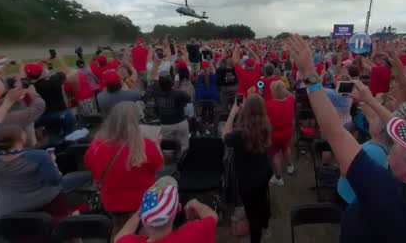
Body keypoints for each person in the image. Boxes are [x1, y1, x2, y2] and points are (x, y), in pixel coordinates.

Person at [285, 34, 406, 243]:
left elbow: (336, 133)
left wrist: (310, 74)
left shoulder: (388, 197)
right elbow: (395, 123)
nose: (393, 140)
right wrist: (370, 101)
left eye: (401, 141)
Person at [0, 88, 72, 218]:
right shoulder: (39, 156)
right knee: (65, 230)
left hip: (12, 210)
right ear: (21, 139)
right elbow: (55, 180)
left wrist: (7, 103)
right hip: (47, 203)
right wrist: (54, 165)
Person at [85, 101, 164, 234]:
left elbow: (93, 170)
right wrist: (157, 146)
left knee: (119, 230)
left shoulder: (95, 146)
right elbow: (158, 166)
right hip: (143, 202)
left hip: (112, 203)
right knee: (145, 232)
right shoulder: (145, 145)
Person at [222, 95, 272, 243]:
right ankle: (264, 223)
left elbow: (224, 136)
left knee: (252, 213)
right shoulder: (266, 125)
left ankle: (256, 237)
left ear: (246, 111)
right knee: (262, 200)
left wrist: (233, 111)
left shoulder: (239, 134)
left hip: (247, 178)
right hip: (263, 172)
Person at [115, 176, 217, 243]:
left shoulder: (128, 241)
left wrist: (140, 211)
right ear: (178, 208)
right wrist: (195, 203)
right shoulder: (192, 234)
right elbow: (213, 217)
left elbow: (119, 238)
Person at [26, 60, 77, 138]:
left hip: (46, 116)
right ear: (41, 72)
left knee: (53, 137)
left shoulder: (31, 86)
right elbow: (71, 74)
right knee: (71, 136)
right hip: (62, 113)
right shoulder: (54, 80)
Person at [145, 75, 192, 152]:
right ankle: (181, 160)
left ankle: (167, 159)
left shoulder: (156, 93)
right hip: (180, 123)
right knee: (184, 147)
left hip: (165, 125)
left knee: (165, 148)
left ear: (159, 85)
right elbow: (188, 99)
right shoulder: (179, 93)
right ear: (172, 83)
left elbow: (146, 96)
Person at [265, 81, 296, 186]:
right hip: (287, 132)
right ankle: (290, 166)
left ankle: (278, 178)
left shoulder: (268, 105)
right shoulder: (290, 101)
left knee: (275, 155)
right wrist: (284, 89)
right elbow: (292, 96)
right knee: (286, 147)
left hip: (274, 135)